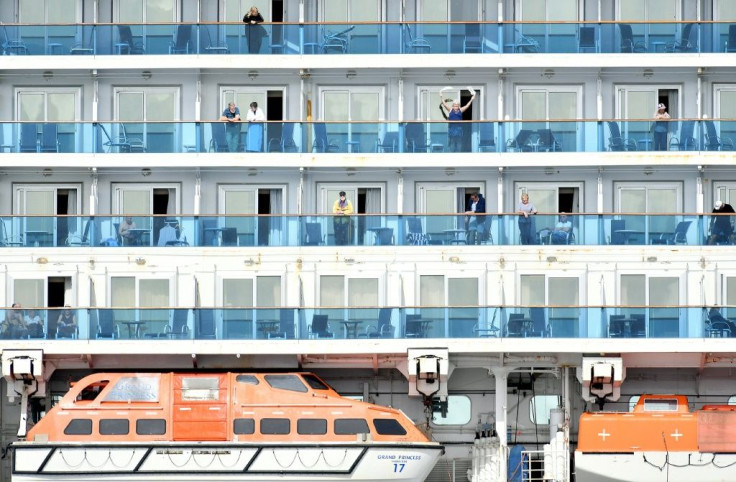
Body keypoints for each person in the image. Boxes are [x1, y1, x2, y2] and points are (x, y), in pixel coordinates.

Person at [439, 87, 476, 152]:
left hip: (459, 128)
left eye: (457, 106)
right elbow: (444, 104)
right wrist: (441, 96)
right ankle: (452, 154)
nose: (456, 107)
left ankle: (458, 154)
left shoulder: (460, 110)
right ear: (453, 105)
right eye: (455, 105)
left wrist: (471, 99)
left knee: (459, 142)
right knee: (452, 142)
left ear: (459, 106)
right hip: (452, 128)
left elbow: (467, 106)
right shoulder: (450, 110)